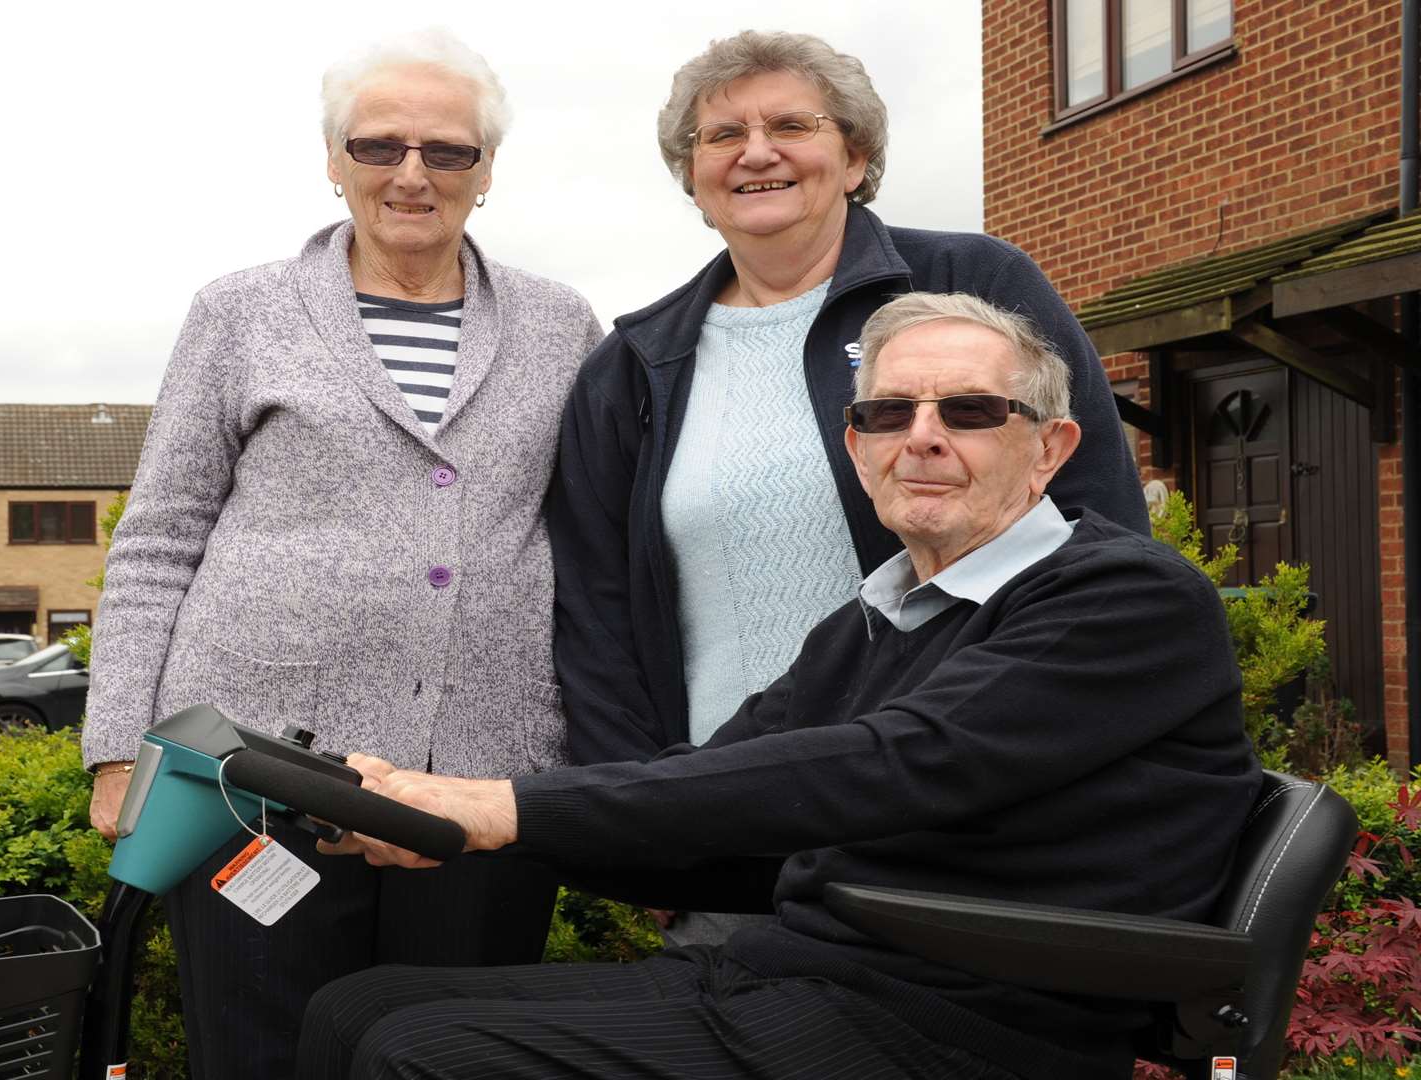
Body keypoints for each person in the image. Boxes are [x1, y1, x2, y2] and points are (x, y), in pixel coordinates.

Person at [301, 292, 1261, 1080]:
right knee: (357, 1006)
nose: (922, 438)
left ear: (1049, 448)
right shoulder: (875, 618)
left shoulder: (1123, 596)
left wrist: (500, 807)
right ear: (858, 448)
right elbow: (712, 804)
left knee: (418, 1052)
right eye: (890, 413)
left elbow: (897, 765)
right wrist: (445, 825)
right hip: (800, 982)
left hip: (968, 1027)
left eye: (968, 411)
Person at [547, 31, 1150, 947]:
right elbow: (593, 613)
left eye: (793, 123)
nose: (757, 153)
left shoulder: (969, 285)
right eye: (721, 135)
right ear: (691, 171)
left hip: (962, 817)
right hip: (739, 831)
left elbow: (1092, 517)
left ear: (857, 154)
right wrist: (646, 814)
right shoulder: (633, 365)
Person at [79, 29, 604, 1078]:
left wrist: (576, 762)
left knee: (454, 1052)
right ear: (332, 159)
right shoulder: (240, 312)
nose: (412, 173)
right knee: (263, 1052)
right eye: (379, 146)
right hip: (252, 775)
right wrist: (115, 751)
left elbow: (593, 546)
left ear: (487, 172)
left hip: (479, 778)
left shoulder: (561, 324)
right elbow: (159, 537)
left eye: (447, 151)